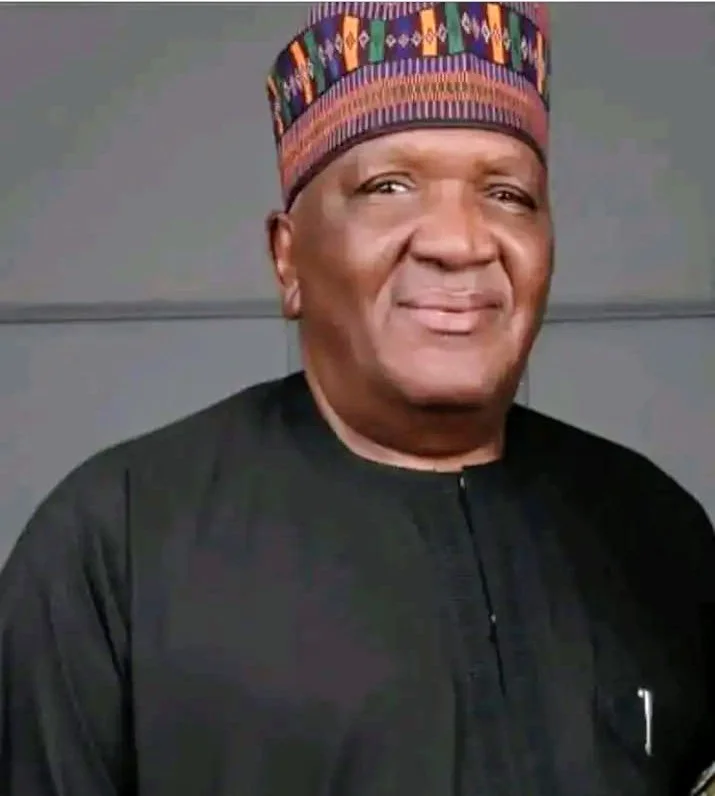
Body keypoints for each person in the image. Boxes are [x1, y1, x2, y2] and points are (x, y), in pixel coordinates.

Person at [0, 3, 713, 795]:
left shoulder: (657, 532)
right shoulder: (118, 542)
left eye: (508, 194)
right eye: (388, 186)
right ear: (287, 259)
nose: (459, 241)